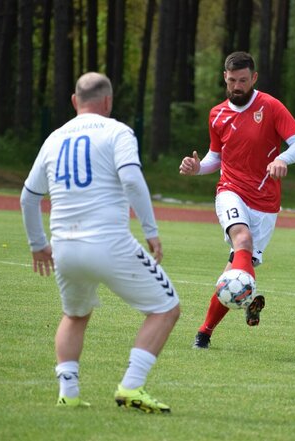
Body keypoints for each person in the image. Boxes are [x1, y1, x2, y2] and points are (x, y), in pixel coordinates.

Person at [20, 72, 180, 413]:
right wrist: (150, 230)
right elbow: (133, 180)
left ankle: (69, 392)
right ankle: (131, 386)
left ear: (75, 101)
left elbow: (28, 197)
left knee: (75, 315)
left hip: (63, 247)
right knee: (166, 308)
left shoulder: (54, 138)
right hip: (108, 242)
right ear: (107, 102)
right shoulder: (117, 131)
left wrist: (38, 244)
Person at [179, 51, 295, 349]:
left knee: (235, 274)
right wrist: (198, 168)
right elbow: (216, 157)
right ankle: (244, 296)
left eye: (242, 80)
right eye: (232, 80)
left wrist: (282, 158)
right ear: (225, 77)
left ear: (254, 78)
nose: (237, 86)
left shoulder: (271, 107)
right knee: (243, 239)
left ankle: (205, 331)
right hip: (230, 190)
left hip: (265, 203)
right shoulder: (217, 114)